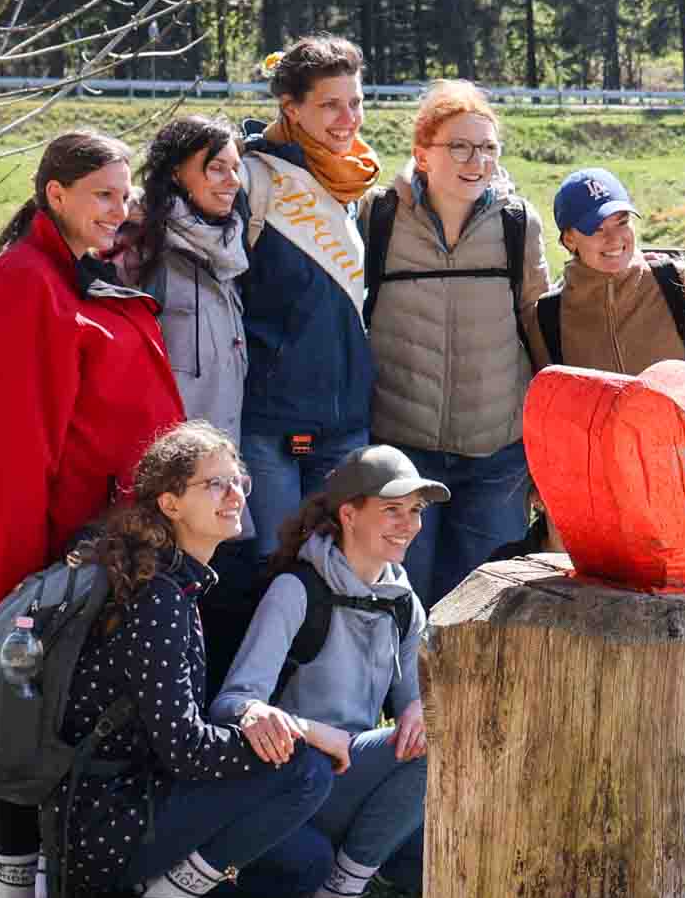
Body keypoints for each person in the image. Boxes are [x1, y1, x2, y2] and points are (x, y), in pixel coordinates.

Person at [0, 129, 183, 898]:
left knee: (73, 723)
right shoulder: (29, 280)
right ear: (53, 193)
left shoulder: (81, 272)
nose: (119, 213)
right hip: (54, 557)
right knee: (29, 727)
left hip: (106, 549)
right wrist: (19, 580)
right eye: (102, 196)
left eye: (125, 196)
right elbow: (19, 443)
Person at [54, 421, 344, 898]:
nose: (235, 495)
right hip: (107, 823)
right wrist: (295, 734)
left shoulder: (174, 585)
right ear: (169, 502)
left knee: (303, 863)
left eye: (238, 482)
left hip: (119, 808)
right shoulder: (158, 598)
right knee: (305, 771)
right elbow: (184, 750)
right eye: (215, 485)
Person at [211, 446, 441, 898]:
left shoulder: (405, 602)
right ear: (348, 513)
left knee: (435, 758)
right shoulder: (296, 590)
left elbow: (414, 720)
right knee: (428, 753)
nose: (407, 525)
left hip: (357, 774)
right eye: (392, 510)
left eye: (416, 512)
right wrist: (314, 732)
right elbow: (233, 703)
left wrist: (422, 710)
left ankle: (343, 887)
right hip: (296, 782)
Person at [359, 79, 550, 606]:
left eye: (488, 148)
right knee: (402, 608)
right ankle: (404, 695)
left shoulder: (517, 224)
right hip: (403, 452)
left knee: (479, 613)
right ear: (422, 154)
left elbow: (538, 329)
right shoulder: (378, 218)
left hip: (498, 457)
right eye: (460, 146)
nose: (477, 161)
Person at [238, 38, 380, 566]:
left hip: (344, 419)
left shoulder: (353, 186)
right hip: (269, 424)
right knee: (274, 572)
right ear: (291, 108)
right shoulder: (251, 179)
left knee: (342, 575)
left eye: (356, 102)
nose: (348, 119)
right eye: (330, 105)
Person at [128, 115, 250, 452]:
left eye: (235, 168)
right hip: (165, 472)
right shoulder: (139, 250)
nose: (233, 181)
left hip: (221, 467)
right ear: (176, 173)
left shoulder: (229, 251)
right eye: (216, 168)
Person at [522, 167, 685, 373]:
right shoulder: (548, 317)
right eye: (597, 228)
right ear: (569, 239)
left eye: (622, 222)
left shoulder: (675, 281)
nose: (614, 239)